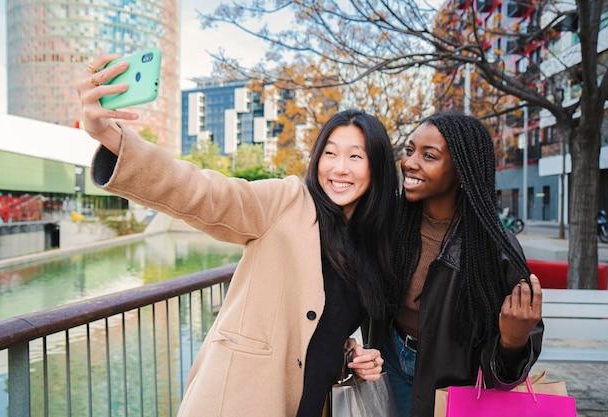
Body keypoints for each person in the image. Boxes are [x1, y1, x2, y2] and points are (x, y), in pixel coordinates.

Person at [76, 54, 399, 417]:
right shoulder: (287, 201)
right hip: (242, 400)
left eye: (356, 156)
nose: (340, 168)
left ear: (377, 166)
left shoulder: (369, 243)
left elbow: (313, 326)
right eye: (330, 153)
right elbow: (205, 194)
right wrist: (114, 139)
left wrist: (350, 353)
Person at [368, 113, 544, 417]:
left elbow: (508, 367)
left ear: (462, 171)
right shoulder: (391, 223)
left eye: (429, 156)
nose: (410, 163)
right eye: (410, 151)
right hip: (390, 361)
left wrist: (513, 340)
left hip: (455, 379)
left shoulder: (496, 247)